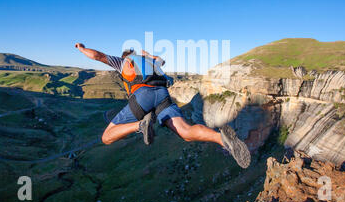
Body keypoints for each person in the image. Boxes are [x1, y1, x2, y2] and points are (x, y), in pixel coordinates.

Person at [75, 43, 251, 168]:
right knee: (186, 132)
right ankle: (222, 140)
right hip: (163, 95)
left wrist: (82, 49)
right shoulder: (152, 62)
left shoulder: (124, 62)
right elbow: (161, 60)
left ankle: (140, 125)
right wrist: (149, 55)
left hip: (142, 96)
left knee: (106, 137)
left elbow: (98, 56)